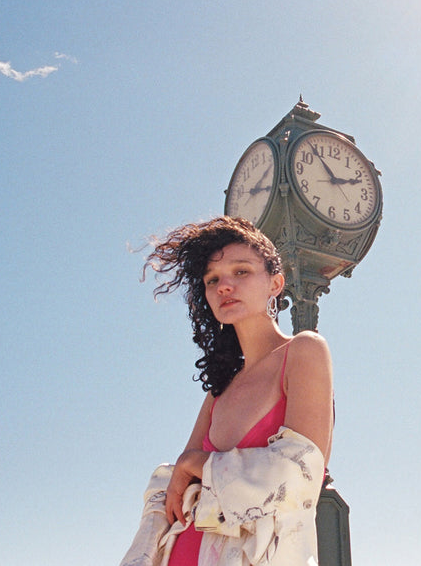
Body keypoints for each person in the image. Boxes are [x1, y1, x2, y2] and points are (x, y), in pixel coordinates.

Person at [134, 216, 333, 566]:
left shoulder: (304, 351)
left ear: (275, 283)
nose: (225, 286)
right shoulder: (218, 391)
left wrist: (199, 463)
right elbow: (175, 493)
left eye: (241, 272)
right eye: (213, 280)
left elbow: (300, 475)